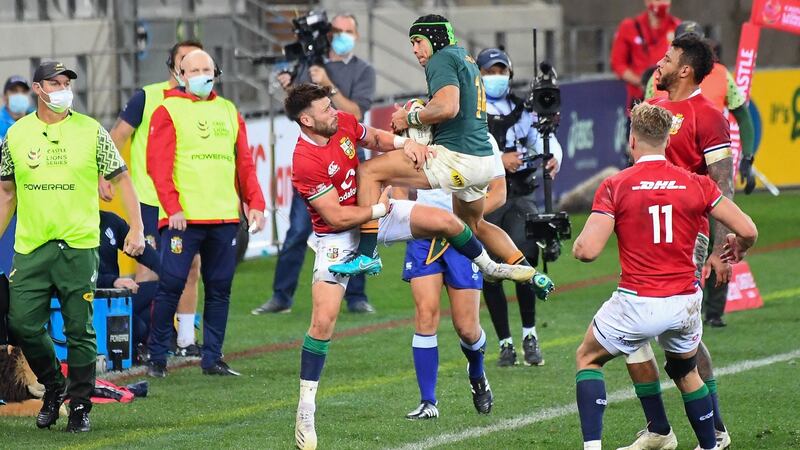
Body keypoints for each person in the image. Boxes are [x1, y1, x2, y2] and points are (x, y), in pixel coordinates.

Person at [284, 83, 551, 450]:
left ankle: (488, 266)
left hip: (377, 212)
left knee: (449, 223)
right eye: (326, 109)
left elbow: (374, 136)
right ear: (306, 119)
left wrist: (402, 144)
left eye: (331, 106)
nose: (334, 112)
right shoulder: (304, 161)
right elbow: (335, 215)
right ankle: (306, 408)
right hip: (339, 234)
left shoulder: (342, 122)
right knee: (323, 321)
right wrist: (380, 208)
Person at [572, 102, 757, 450]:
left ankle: (592, 447)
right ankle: (708, 444)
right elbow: (748, 229)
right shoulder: (697, 183)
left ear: (632, 140)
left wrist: (579, 242)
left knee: (588, 356)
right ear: (667, 142)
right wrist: (739, 246)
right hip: (684, 303)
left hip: (638, 301)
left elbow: (587, 251)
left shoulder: (616, 185)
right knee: (686, 371)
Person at [330, 15, 552, 296]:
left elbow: (447, 107)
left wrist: (408, 115)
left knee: (369, 172)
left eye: (417, 41)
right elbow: (451, 108)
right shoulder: (466, 59)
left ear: (434, 38)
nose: (415, 49)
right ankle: (525, 272)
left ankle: (366, 253)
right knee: (474, 224)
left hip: (456, 157)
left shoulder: (441, 59)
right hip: (482, 160)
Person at [0, 61, 146, 432]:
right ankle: (54, 386)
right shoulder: (15, 135)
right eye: (55, 82)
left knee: (80, 329)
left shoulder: (92, 131)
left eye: (67, 82)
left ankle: (79, 406)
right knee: (22, 324)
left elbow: (123, 179)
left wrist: (137, 228)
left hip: (79, 246)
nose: (63, 88)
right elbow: (5, 194)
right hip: (31, 247)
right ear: (38, 88)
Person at [620, 34, 736, 450]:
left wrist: (723, 251)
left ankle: (715, 430)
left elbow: (722, 186)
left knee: (680, 347)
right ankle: (658, 430)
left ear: (684, 69)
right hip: (644, 237)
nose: (659, 63)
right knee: (630, 330)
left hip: (687, 238)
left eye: (667, 58)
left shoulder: (708, 115)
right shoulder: (657, 111)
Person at [145, 50, 266, 378]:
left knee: (220, 287)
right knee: (171, 284)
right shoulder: (167, 109)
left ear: (216, 71)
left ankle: (212, 357)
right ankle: (156, 356)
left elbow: (244, 162)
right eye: (194, 69)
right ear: (181, 75)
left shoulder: (228, 110)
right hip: (183, 219)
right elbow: (158, 167)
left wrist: (255, 203)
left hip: (224, 217)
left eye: (207, 69)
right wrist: (173, 208)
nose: (201, 74)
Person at [252, 13, 376, 314]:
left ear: (357, 36)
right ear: (329, 33)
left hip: (348, 160)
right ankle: (281, 296)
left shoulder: (363, 71)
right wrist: (288, 87)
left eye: (349, 30)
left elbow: (356, 114)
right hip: (316, 164)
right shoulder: (308, 63)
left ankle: (356, 297)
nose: (343, 35)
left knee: (356, 225)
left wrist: (327, 84)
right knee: (296, 230)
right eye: (338, 30)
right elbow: (301, 112)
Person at [109, 40, 205, 357]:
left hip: (188, 202)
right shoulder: (147, 97)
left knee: (190, 267)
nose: (193, 69)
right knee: (150, 270)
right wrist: (102, 176)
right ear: (173, 67)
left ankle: (186, 340)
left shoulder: (207, 104)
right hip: (150, 201)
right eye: (186, 61)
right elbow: (116, 137)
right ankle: (145, 339)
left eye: (200, 64)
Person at [402, 133, 505, 420]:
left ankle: (477, 372)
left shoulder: (481, 137)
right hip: (424, 234)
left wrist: (462, 221)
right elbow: (397, 177)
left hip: (463, 238)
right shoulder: (421, 134)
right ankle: (428, 401)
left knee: (467, 329)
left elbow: (499, 191)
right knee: (425, 314)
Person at [476, 47, 564, 367]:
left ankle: (529, 334)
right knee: (491, 268)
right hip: (485, 196)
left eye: (501, 71)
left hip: (520, 194)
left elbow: (543, 140)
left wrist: (554, 157)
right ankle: (505, 342)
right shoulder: (469, 111)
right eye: (489, 71)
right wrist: (499, 160)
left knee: (524, 256)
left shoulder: (523, 109)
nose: (496, 77)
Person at [644, 20, 757, 200]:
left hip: (708, 168)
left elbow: (743, 116)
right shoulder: (659, 77)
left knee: (718, 209)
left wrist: (747, 158)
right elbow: (643, 127)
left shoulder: (721, 75)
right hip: (666, 177)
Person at [97, 210, 160, 362]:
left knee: (164, 288)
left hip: (115, 300)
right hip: (90, 298)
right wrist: (112, 281)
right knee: (139, 327)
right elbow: (72, 276)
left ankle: (164, 340)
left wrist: (166, 271)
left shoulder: (109, 220)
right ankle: (133, 346)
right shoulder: (70, 227)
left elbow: (143, 252)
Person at [610, 0, 680, 109]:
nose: (662, 3)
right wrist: (643, 82)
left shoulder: (678, 27)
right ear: (647, 2)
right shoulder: (629, 27)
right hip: (639, 98)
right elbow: (618, 64)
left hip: (670, 98)